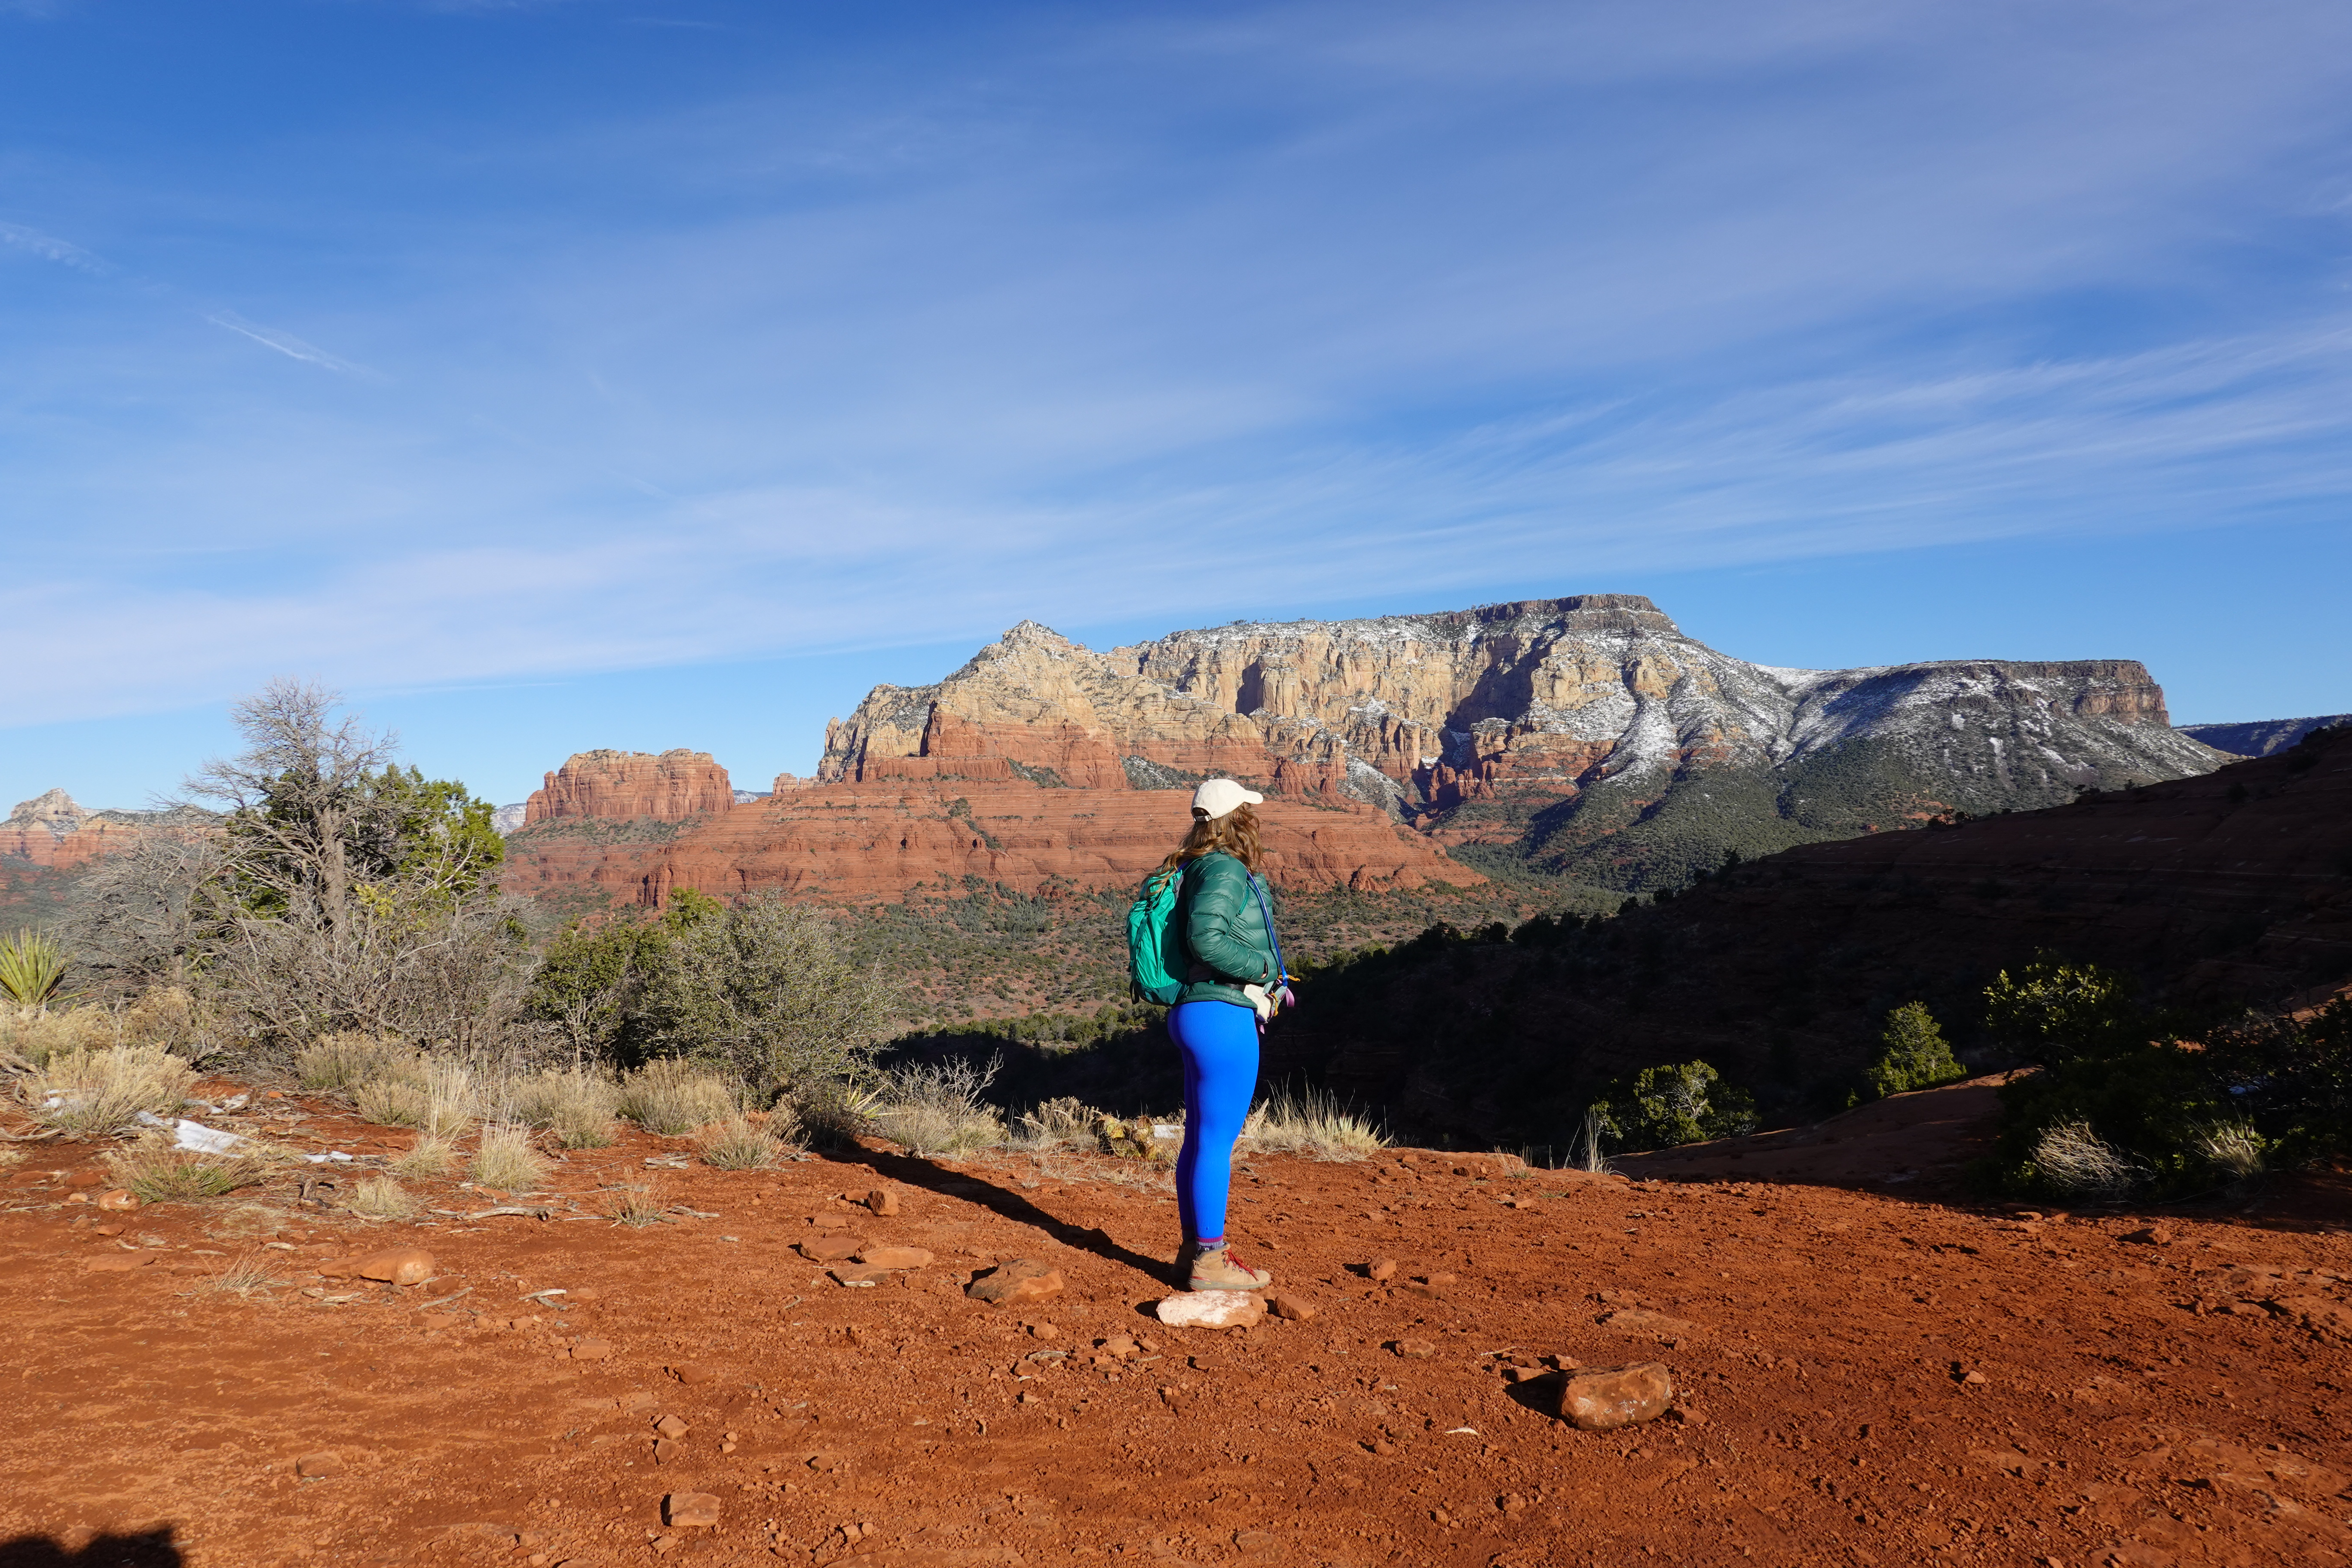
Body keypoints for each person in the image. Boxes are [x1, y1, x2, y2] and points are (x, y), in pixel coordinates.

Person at [1158, 778, 1292, 1292]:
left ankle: (1194, 1251)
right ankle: (1209, 1262)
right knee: (1216, 1141)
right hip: (1221, 1014)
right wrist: (1261, 967)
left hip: (1195, 1012)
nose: (1255, 819)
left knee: (1199, 1139)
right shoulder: (1226, 867)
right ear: (1237, 818)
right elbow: (1205, 938)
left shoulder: (1192, 865)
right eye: (1248, 812)